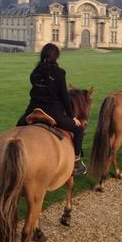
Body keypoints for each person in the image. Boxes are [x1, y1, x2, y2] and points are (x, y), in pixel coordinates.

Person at [17, 43, 86, 176]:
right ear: (56, 57)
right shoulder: (59, 73)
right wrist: (72, 117)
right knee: (79, 130)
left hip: (33, 110)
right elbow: (65, 97)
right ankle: (76, 162)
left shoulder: (35, 72)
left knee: (18, 127)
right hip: (52, 112)